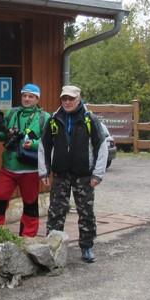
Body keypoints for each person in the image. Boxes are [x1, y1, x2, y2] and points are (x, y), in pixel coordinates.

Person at [38, 84, 108, 263]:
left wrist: (98, 174)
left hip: (83, 175)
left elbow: (101, 146)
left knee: (86, 212)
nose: (67, 102)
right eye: (64, 98)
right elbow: (44, 146)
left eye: (71, 98)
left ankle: (87, 246)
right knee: (56, 212)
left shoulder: (90, 119)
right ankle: (53, 247)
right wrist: (44, 172)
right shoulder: (54, 119)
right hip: (60, 174)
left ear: (79, 99)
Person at [0, 83, 49, 236]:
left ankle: (28, 236)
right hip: (9, 167)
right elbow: (3, 135)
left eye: (31, 96)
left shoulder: (44, 117)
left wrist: (33, 144)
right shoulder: (12, 113)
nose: (27, 99)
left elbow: (48, 142)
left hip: (30, 169)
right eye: (24, 95)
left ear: (37, 99)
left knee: (30, 204)